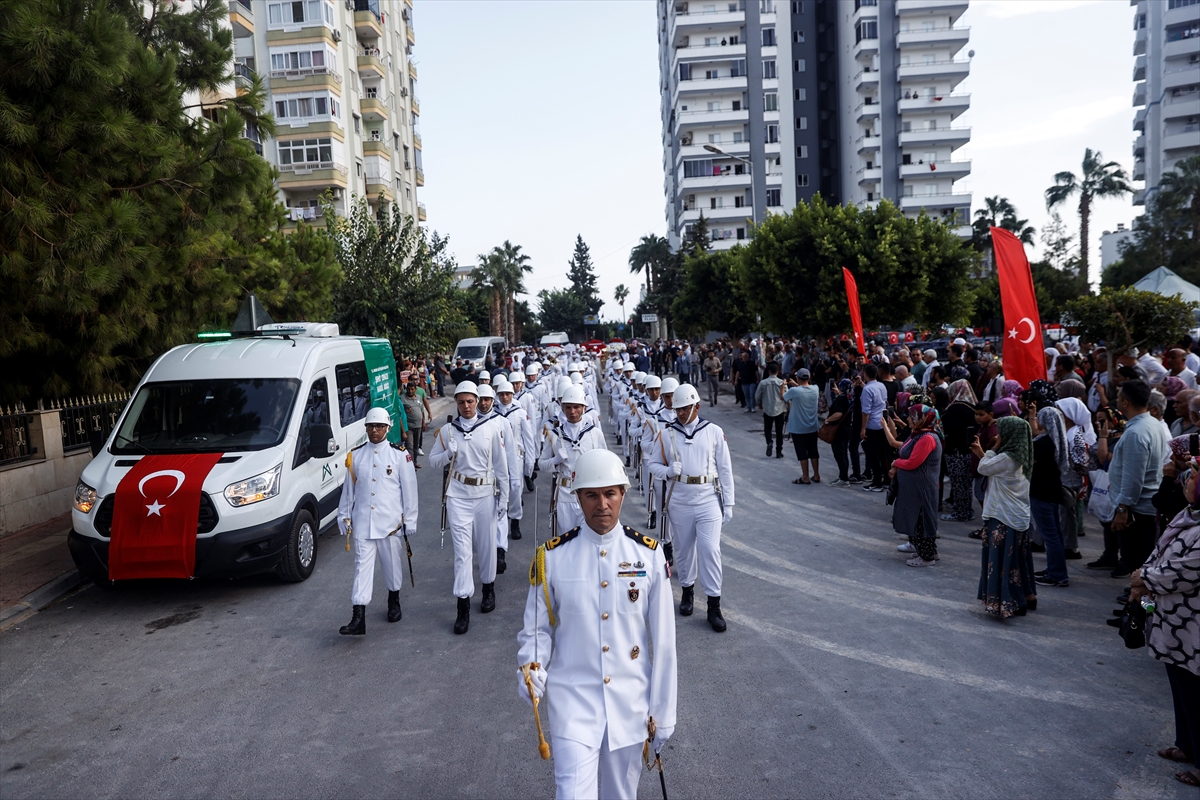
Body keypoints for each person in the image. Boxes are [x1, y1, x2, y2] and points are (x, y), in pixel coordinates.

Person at [517, 448, 677, 800]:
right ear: (577, 498)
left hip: (630, 702)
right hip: (572, 699)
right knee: (572, 793)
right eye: (591, 494)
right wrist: (532, 665)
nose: (601, 504)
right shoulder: (553, 557)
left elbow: (664, 644)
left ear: (622, 494)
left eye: (609, 494)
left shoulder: (647, 555)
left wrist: (663, 712)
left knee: (621, 795)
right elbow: (536, 628)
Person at [1131, 463, 1200, 789]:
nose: (1188, 481)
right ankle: (1186, 745)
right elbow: (1160, 552)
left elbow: (1186, 570)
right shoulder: (1189, 514)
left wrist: (1143, 578)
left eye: (1194, 478)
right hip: (1175, 623)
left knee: (1195, 694)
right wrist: (1143, 578)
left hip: (1192, 627)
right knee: (1180, 688)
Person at [646, 383, 735, 631]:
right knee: (684, 550)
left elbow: (725, 470)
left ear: (697, 406)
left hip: (708, 498)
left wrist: (728, 502)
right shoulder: (667, 434)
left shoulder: (714, 431)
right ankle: (687, 591)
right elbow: (653, 465)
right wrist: (666, 471)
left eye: (686, 409)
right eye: (678, 410)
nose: (681, 414)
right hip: (680, 498)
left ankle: (713, 604)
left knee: (709, 550)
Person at [428, 381, 510, 635]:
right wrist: (446, 454)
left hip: (485, 493)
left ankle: (488, 588)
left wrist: (504, 500)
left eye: (470, 401)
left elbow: (501, 467)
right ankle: (462, 606)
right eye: (461, 402)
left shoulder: (490, 428)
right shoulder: (447, 432)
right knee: (463, 552)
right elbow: (432, 461)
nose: (466, 406)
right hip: (458, 496)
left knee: (486, 548)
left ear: (477, 401)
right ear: (457, 403)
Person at [336, 407, 419, 636]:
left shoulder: (399, 455)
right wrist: (344, 515)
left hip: (390, 524)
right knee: (361, 568)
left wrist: (410, 521)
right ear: (366, 428)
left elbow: (409, 490)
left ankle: (394, 600)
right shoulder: (356, 455)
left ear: (387, 428)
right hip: (363, 523)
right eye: (371, 426)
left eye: (379, 426)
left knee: (392, 566)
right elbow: (349, 490)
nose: (375, 430)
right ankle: (358, 616)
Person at [974, 416, 1036, 618]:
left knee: (1002, 561)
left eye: (1001, 431)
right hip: (1018, 515)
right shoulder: (1022, 455)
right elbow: (994, 470)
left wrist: (992, 449)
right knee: (1018, 560)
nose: (998, 435)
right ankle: (1027, 596)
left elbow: (984, 468)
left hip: (1003, 515)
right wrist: (985, 454)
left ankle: (1010, 601)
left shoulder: (1007, 457)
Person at [1109, 379, 1169, 579]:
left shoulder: (1137, 431)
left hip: (1137, 511)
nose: (1116, 401)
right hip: (1142, 508)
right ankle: (1137, 605)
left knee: (1138, 566)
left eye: (1118, 397)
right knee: (1140, 565)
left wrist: (1123, 509)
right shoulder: (1151, 423)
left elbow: (1133, 477)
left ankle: (1143, 607)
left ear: (1125, 402)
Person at [537, 385, 607, 536]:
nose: (572, 411)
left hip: (589, 492)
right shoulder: (555, 435)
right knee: (566, 539)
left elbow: (605, 465)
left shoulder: (594, 434)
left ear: (584, 407)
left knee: (590, 538)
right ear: (562, 408)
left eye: (576, 407)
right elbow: (541, 464)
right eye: (568, 407)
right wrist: (555, 460)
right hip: (564, 493)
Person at [885, 403, 943, 566]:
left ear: (922, 419)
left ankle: (927, 557)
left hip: (922, 488)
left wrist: (896, 463)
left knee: (922, 520)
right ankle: (924, 551)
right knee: (917, 518)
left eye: (912, 416)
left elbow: (913, 463)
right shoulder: (918, 434)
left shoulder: (927, 438)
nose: (909, 419)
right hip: (914, 487)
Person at [1030, 406, 1071, 588]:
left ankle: (1057, 574)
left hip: (1042, 492)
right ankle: (1054, 569)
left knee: (1050, 535)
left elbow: (1028, 462)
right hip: (1051, 491)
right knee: (1054, 533)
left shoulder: (1043, 443)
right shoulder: (1055, 441)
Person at [941, 379, 979, 522]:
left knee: (958, 483)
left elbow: (947, 429)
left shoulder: (954, 408)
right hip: (969, 451)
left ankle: (961, 512)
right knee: (966, 484)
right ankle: (967, 510)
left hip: (956, 452)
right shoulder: (972, 407)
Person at [784, 368, 821, 483]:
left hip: (798, 427)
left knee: (802, 452)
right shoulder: (815, 389)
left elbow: (783, 397)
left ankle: (805, 476)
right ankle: (816, 475)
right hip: (812, 426)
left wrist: (783, 386)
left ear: (798, 378)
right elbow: (804, 389)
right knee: (813, 450)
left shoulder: (794, 391)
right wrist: (797, 385)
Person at [860, 363, 889, 492]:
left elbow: (866, 411)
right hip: (882, 423)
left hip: (872, 425)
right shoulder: (881, 385)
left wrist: (863, 428)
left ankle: (876, 481)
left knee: (873, 455)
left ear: (865, 374)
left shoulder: (867, 389)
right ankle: (886, 480)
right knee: (882, 454)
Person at [827, 379, 861, 486]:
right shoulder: (850, 398)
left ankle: (844, 478)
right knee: (843, 453)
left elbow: (838, 414)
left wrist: (827, 420)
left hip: (839, 430)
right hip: (847, 428)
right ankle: (843, 475)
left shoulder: (841, 399)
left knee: (839, 453)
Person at [757, 362, 788, 459]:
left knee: (767, 428)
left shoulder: (763, 383)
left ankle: (769, 441)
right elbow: (787, 396)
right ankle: (779, 451)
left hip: (767, 408)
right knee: (779, 432)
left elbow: (757, 396)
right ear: (778, 372)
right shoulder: (782, 383)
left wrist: (759, 404)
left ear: (769, 371)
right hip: (780, 409)